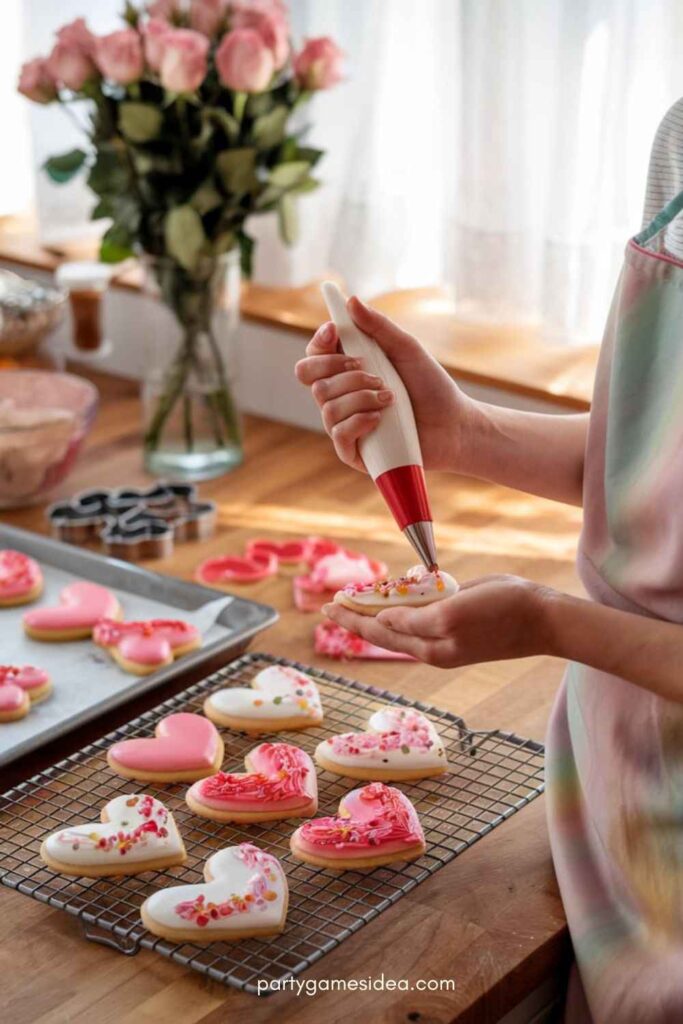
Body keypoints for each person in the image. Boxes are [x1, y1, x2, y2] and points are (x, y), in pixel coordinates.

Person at [295, 101, 683, 1023]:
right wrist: (463, 431)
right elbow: (662, 448)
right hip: (613, 783)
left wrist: (549, 621)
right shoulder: (679, 136)